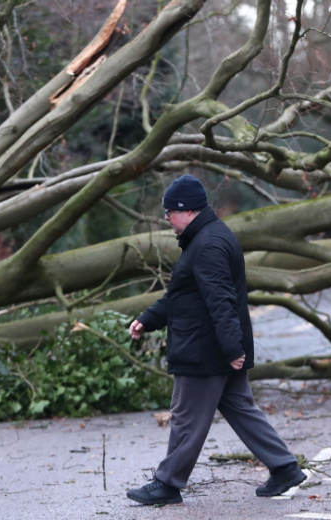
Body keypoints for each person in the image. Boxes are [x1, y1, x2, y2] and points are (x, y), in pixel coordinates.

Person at [125, 174, 306, 506]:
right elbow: (182, 296)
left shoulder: (207, 244)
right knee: (241, 408)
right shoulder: (206, 239)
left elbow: (221, 300)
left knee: (185, 418)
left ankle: (167, 483)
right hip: (215, 346)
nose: (166, 218)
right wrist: (147, 319)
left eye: (169, 212)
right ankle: (285, 468)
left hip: (205, 350)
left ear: (186, 210)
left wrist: (232, 348)